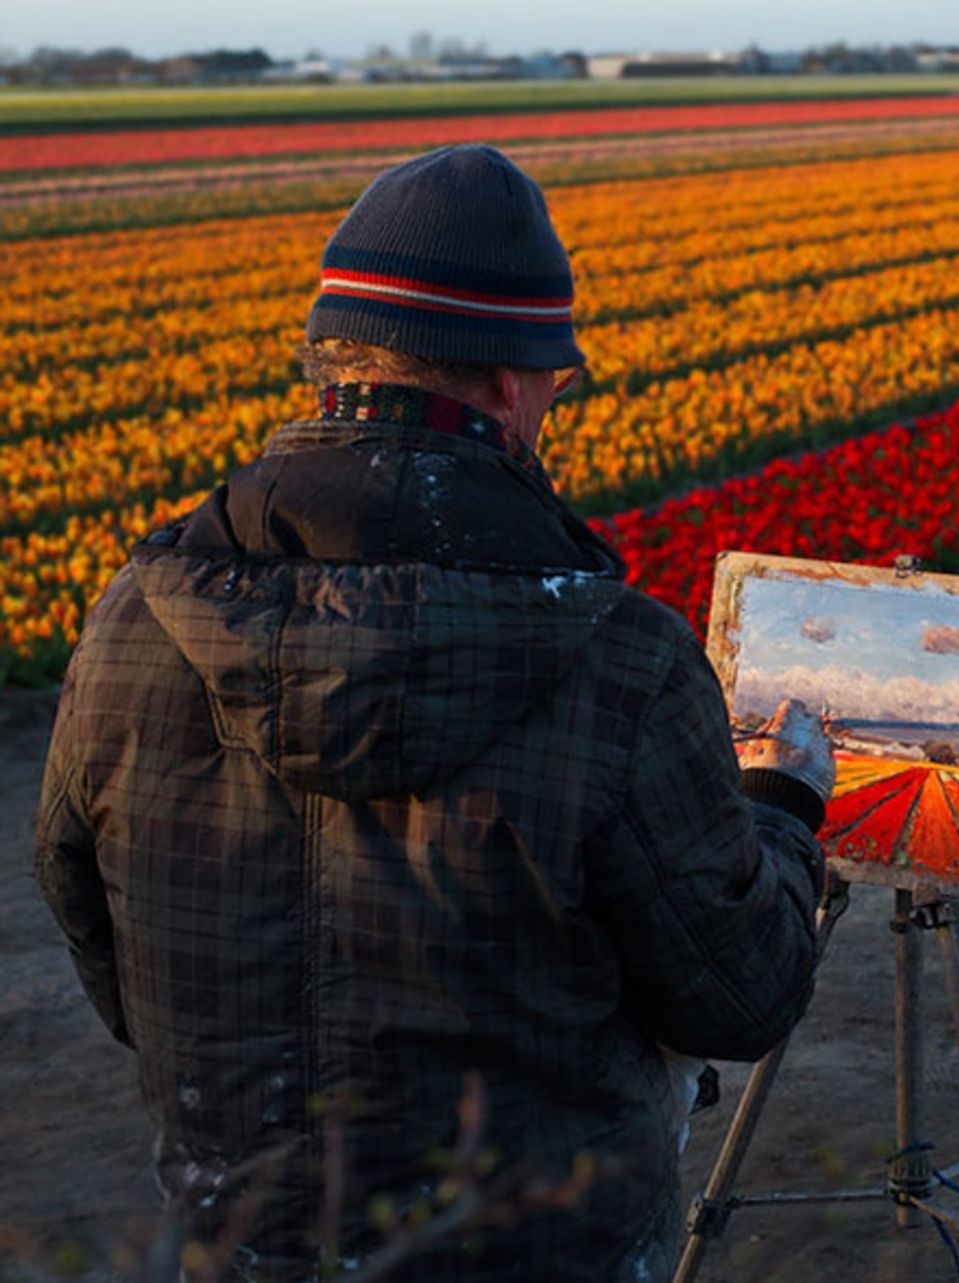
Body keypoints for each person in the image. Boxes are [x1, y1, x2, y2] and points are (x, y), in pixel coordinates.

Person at [34, 144, 834, 1282]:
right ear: (510, 381)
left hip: (239, 1242)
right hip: (543, 1250)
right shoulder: (619, 658)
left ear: (329, 361)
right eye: (554, 376)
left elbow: (83, 910)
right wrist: (782, 813)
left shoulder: (133, 623)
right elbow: (740, 993)